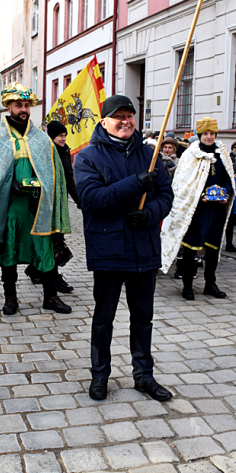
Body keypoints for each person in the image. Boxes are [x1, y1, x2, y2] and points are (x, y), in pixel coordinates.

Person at [74, 94, 174, 402]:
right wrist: (135, 184)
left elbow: (166, 197)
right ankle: (100, 375)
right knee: (104, 318)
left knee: (143, 318)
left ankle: (144, 375)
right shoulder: (87, 157)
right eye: (118, 116)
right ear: (104, 122)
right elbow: (91, 200)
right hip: (108, 249)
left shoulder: (151, 154)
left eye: (129, 115)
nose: (125, 120)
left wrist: (150, 213)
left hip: (144, 248)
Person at [0, 83, 72, 316]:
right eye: (18, 105)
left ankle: (51, 297)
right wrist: (8, 185)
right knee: (8, 250)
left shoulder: (42, 139)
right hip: (9, 207)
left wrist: (43, 185)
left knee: (45, 249)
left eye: (26, 105)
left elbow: (54, 173)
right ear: (8, 107)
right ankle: (10, 298)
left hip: (37, 207)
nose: (23, 109)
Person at [160, 117, 235, 301]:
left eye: (212, 134)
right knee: (190, 250)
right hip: (195, 211)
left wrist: (224, 192)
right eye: (205, 134)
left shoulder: (222, 154)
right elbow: (183, 184)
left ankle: (210, 283)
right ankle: (187, 286)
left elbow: (228, 178)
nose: (209, 137)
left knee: (213, 249)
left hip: (216, 211)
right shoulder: (190, 155)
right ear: (200, 135)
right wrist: (200, 195)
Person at [25, 121, 80, 294]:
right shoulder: (44, 152)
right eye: (60, 136)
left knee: (57, 238)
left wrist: (80, 201)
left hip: (60, 204)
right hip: (45, 203)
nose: (63, 139)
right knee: (52, 240)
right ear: (51, 136)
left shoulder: (65, 151)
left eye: (65, 136)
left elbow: (69, 179)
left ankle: (35, 269)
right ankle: (54, 277)